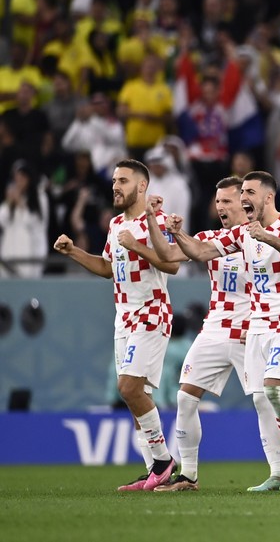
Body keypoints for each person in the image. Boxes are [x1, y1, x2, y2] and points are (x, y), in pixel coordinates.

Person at [144, 177, 280, 492]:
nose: (221, 206)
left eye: (230, 199)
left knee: (271, 398)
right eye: (217, 201)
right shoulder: (230, 237)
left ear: (258, 199)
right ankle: (190, 476)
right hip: (223, 329)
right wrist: (171, 228)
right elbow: (180, 253)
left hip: (265, 325)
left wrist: (265, 235)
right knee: (186, 396)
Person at [53, 158, 180, 491]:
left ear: (141, 186)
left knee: (128, 388)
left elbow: (172, 265)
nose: (115, 186)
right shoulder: (114, 225)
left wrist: (137, 245)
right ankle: (154, 469)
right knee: (133, 396)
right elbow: (108, 267)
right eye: (113, 181)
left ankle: (163, 462)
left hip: (150, 312)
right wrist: (74, 252)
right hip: (123, 318)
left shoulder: (158, 220)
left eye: (123, 180)